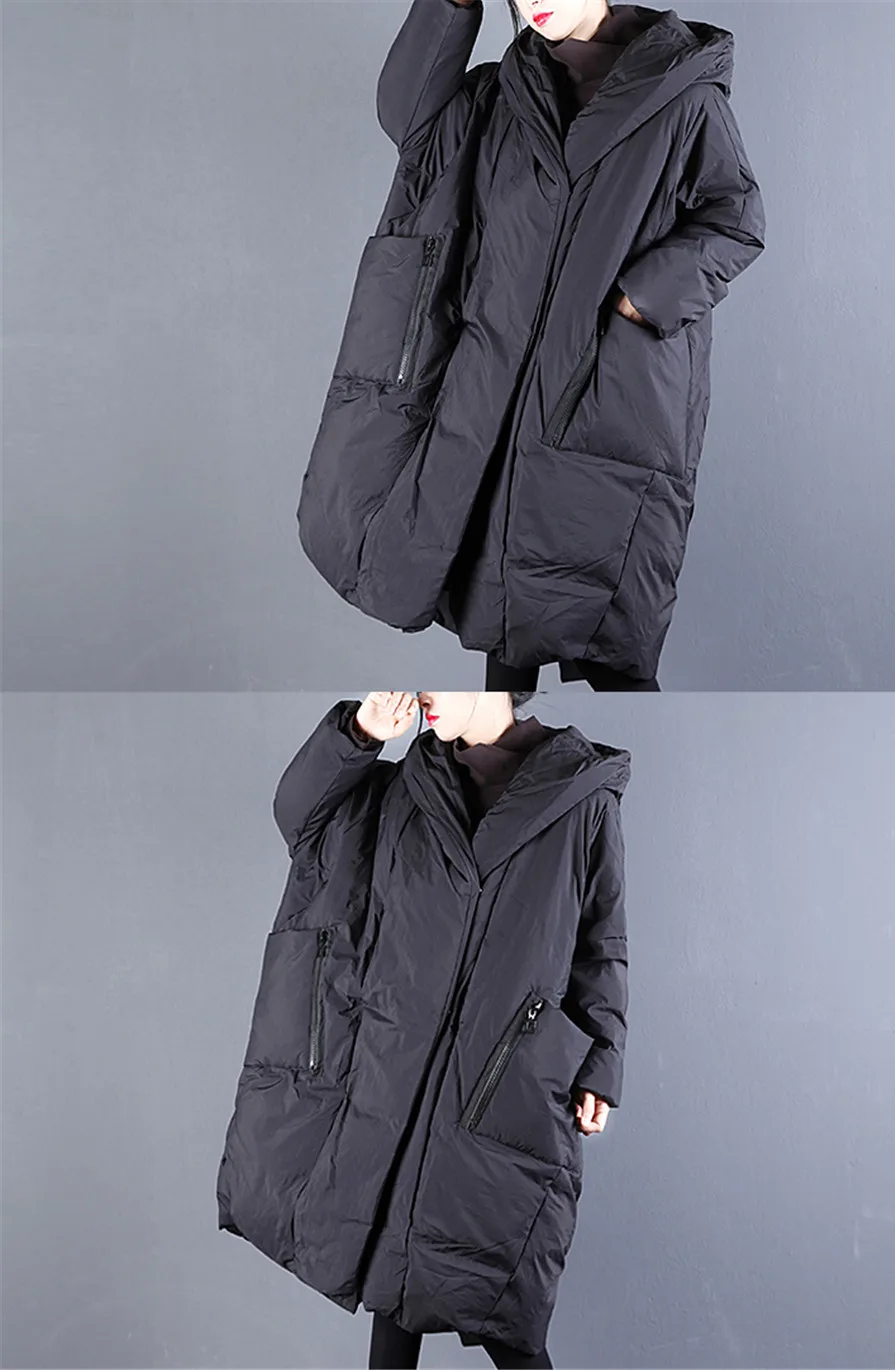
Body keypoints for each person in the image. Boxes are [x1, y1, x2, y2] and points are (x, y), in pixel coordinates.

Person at [296, 0, 766, 689]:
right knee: (505, 621)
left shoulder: (682, 95)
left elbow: (736, 218)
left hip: (611, 394)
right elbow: (411, 118)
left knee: (609, 637)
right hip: (494, 393)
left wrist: (643, 298)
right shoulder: (502, 95)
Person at [216, 692, 631, 1367]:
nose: (427, 696)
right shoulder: (405, 788)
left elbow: (601, 942)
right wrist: (358, 734)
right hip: (392, 1072)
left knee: (502, 1306)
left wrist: (603, 1062)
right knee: (393, 1272)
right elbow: (302, 820)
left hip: (498, 1080)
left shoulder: (580, 797)